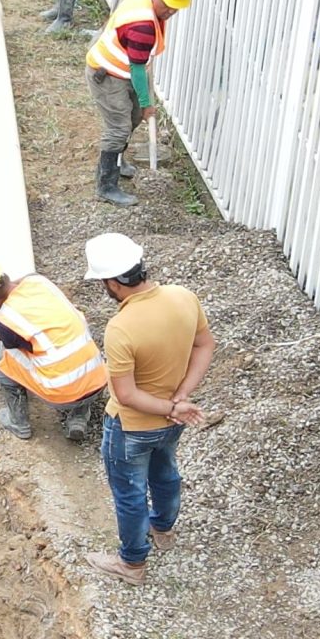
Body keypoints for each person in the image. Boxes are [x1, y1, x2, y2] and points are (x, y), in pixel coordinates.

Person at [79, 233, 212, 586]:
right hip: (171, 422)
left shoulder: (121, 327)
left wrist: (171, 406)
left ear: (112, 283)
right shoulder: (184, 296)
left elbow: (125, 395)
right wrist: (180, 399)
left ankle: (132, 564)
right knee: (165, 472)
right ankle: (163, 530)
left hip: (132, 428)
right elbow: (204, 345)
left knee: (130, 493)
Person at [0, 259, 108, 442]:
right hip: (98, 377)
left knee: (1, 354)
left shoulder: (5, 319)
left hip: (62, 395)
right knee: (69, 345)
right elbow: (28, 277)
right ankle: (78, 417)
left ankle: (19, 422)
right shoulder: (39, 282)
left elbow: (16, 350)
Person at [86, 0, 191, 207]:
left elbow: (138, 66)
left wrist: (140, 109)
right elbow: (137, 69)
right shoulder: (142, 26)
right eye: (167, 5)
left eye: (176, 7)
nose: (171, 11)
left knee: (131, 119)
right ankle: (106, 185)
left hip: (123, 70)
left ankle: (119, 161)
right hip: (107, 74)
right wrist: (146, 105)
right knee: (119, 127)